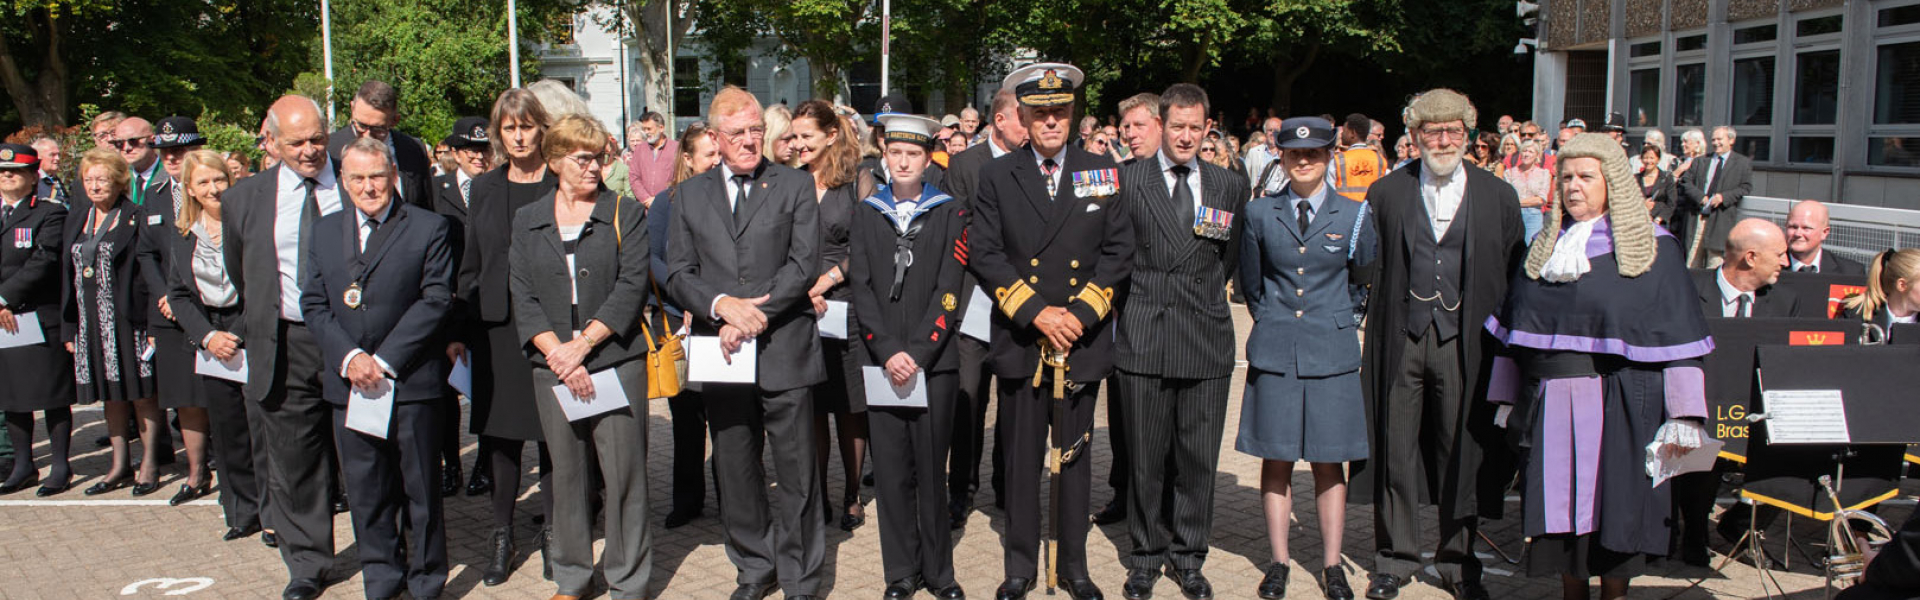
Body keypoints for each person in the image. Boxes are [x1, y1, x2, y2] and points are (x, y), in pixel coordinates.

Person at [1484, 132, 1715, 600]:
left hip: (1628, 400)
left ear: (1612, 182)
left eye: (1586, 176)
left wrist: (1687, 417)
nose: (1573, 186)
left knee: (1621, 508)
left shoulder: (1656, 250)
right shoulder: (1544, 251)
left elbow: (1680, 336)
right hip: (1550, 402)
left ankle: (1616, 594)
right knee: (1559, 514)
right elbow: (1514, 333)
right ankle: (1573, 592)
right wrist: (1505, 401)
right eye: (1566, 176)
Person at [968, 62, 1133, 600]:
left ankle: (1073, 567)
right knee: (1020, 460)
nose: (1051, 122)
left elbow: (1117, 254)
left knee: (1076, 459)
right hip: (1022, 337)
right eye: (1040, 114)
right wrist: (1038, 313)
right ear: (1022, 116)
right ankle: (1020, 566)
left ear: (1073, 115)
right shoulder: (996, 175)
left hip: (1079, 339)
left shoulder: (1102, 171)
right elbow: (987, 255)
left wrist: (1078, 317)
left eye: (1060, 112)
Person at [1351, 89, 1524, 600]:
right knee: (1396, 449)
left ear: (1468, 136)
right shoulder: (1387, 192)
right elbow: (1364, 261)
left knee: (1461, 452)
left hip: (1466, 342)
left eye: (1453, 131)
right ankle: (1396, 557)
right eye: (1433, 131)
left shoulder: (1498, 195)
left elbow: (1514, 272)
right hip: (1401, 338)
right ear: (1416, 136)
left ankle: (1456, 560)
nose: (1443, 140)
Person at [665, 86, 828, 600]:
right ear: (714, 137)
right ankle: (755, 568)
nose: (751, 141)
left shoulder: (795, 185)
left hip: (785, 346)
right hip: (724, 351)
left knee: (797, 469)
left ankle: (800, 576)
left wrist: (751, 312)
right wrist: (719, 306)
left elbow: (804, 264)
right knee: (734, 466)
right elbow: (678, 272)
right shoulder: (689, 195)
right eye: (738, 133)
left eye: (758, 130)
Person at [505, 114, 654, 600]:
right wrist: (558, 354)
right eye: (583, 159)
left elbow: (632, 288)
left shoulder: (623, 212)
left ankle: (627, 579)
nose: (595, 167)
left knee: (624, 472)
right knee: (565, 473)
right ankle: (572, 577)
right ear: (554, 162)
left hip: (614, 357)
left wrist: (583, 346)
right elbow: (522, 296)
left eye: (600, 157)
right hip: (553, 366)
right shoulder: (528, 220)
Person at [1111, 84, 1250, 600]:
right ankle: (1145, 555)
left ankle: (1189, 556)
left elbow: (1227, 259)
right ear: (1161, 125)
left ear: (1207, 129)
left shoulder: (1228, 185)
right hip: (1146, 330)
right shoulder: (1129, 180)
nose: (1187, 136)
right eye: (1177, 127)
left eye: (1197, 128)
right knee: (1145, 459)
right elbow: (1116, 258)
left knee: (1197, 460)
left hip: (1205, 334)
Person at [300, 136, 455, 600]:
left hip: (409, 383)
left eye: (377, 177)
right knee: (367, 493)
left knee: (420, 492)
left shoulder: (429, 227)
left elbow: (436, 299)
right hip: (350, 385)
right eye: (358, 179)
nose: (369, 187)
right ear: (343, 183)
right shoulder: (325, 230)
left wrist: (384, 361)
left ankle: (427, 581)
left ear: (394, 177)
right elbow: (313, 302)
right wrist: (351, 359)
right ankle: (382, 581)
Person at [1235, 116, 1376, 600]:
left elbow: (1361, 278)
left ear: (1329, 156)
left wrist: (1333, 318)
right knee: (1275, 457)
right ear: (1281, 157)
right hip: (1276, 348)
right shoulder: (1258, 213)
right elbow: (1251, 285)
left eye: (1314, 153)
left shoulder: (1354, 213)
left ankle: (1332, 565)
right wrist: (1277, 321)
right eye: (1295, 154)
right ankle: (1278, 562)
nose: (1304, 161)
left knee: (1326, 461)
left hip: (1331, 350)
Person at [224, 95, 356, 600]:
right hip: (284, 340)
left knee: (362, 450)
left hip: (349, 340)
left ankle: (386, 547)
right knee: (294, 459)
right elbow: (244, 273)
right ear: (272, 142)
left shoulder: (355, 180)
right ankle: (307, 562)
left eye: (318, 139)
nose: (310, 151)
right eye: (297, 142)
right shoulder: (245, 199)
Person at [849, 113, 969, 600]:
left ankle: (939, 571)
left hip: (933, 364)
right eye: (895, 153)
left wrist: (917, 352)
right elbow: (861, 288)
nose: (902, 162)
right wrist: (887, 351)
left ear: (927, 159)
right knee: (893, 473)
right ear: (884, 155)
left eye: (913, 154)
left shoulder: (949, 212)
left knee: (929, 471)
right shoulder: (866, 211)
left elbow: (949, 289)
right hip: (883, 363)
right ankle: (900, 571)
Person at [456, 89, 557, 586]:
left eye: (527, 126)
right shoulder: (486, 188)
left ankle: (558, 534)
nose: (518, 136)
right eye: (509, 127)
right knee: (500, 438)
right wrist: (460, 326)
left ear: (542, 128)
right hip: (495, 327)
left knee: (555, 436)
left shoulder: (561, 181)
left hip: (552, 328)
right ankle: (502, 533)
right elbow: (473, 260)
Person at [163, 149, 271, 540]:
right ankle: (242, 510)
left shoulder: (248, 224)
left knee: (259, 425)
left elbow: (263, 284)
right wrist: (208, 337)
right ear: (190, 189)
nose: (213, 188)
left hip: (249, 328)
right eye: (204, 182)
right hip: (210, 335)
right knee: (226, 430)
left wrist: (236, 335)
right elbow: (177, 294)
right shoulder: (181, 234)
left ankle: (271, 511)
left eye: (219, 179)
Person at [940, 88, 1027, 527]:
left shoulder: (1032, 162)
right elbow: (958, 227)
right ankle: (961, 490)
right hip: (975, 298)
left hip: (1022, 301)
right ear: (999, 121)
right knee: (968, 398)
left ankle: (1007, 486)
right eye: (1022, 118)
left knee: (1014, 397)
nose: (1030, 126)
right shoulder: (964, 165)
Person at [787, 99, 871, 532]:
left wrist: (827, 280)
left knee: (849, 406)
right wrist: (802, 290)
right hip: (800, 307)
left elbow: (870, 243)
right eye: (794, 137)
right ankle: (816, 495)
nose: (798, 144)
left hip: (847, 304)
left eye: (806, 137)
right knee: (813, 406)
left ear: (832, 135)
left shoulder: (858, 179)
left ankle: (852, 496)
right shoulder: (788, 182)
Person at [64, 146, 163, 498]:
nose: (94, 186)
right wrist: (70, 326)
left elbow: (150, 274)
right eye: (88, 179)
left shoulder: (135, 216)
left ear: (119, 181)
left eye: (102, 179)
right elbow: (68, 275)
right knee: (110, 396)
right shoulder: (77, 217)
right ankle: (119, 463)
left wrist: (153, 326)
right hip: (90, 321)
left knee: (141, 394)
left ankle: (149, 463)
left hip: (128, 320)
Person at [645, 122, 720, 529]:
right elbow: (652, 259)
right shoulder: (665, 202)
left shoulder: (732, 200)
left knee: (727, 416)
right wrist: (686, 295)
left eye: (719, 154)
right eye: (708, 155)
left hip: (720, 323)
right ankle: (687, 499)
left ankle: (732, 496)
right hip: (678, 324)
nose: (716, 161)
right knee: (686, 418)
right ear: (687, 160)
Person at [144, 115, 213, 505]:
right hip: (169, 310)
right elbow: (145, 252)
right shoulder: (153, 193)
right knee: (185, 396)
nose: (171, 157)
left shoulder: (213, 186)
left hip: (208, 306)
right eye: (165, 151)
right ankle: (196, 473)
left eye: (180, 149)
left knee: (217, 393)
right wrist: (166, 295)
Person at [0, 143, 75, 497]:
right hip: (3, 321)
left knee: (51, 393)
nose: (7, 176)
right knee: (11, 394)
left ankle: (60, 464)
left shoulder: (49, 212)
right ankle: (23, 464)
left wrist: (4, 297)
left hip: (37, 316)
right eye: (2, 172)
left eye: (15, 171)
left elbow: (43, 260)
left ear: (33, 177)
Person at [426, 116, 491, 497]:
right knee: (445, 392)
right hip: (446, 303)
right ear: (455, 152)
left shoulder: (497, 188)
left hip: (482, 302)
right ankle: (451, 463)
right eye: (470, 150)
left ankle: (484, 462)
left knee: (484, 386)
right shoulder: (438, 189)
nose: (478, 157)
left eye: (484, 150)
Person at [327, 80, 434, 209]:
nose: (367, 135)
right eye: (361, 125)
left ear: (395, 120)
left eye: (378, 129)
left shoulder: (413, 149)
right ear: (352, 108)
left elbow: (425, 207)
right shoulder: (330, 150)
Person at [1692, 218, 1799, 318]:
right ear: (1751, 258)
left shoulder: (1784, 303)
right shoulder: (1687, 294)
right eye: (1779, 255)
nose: (1786, 263)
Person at [1677, 126, 1752, 269]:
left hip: (1720, 219)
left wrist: (1724, 197)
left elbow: (1745, 187)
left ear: (1731, 140)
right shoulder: (1701, 161)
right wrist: (1700, 197)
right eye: (1713, 139)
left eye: (1719, 139)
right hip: (1697, 217)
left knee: (1715, 263)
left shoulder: (1742, 163)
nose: (1716, 143)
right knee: (1692, 263)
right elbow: (1686, 181)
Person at [1785, 200, 1866, 275]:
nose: (1797, 233)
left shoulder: (1850, 272)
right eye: (1793, 227)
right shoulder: (1773, 268)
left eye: (1806, 228)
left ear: (1824, 233)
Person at [1331, 114, 1390, 201]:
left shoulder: (1337, 160)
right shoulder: (1380, 160)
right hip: (1371, 211)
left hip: (1345, 211)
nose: (1342, 133)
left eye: (1344, 130)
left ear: (1352, 133)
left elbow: (1329, 192)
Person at [1504, 140, 1552, 241]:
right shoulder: (1509, 173)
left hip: (1534, 217)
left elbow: (1541, 200)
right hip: (1514, 215)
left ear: (1537, 155)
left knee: (1530, 247)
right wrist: (1528, 201)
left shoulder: (1544, 174)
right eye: (1524, 151)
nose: (1526, 154)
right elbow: (1506, 198)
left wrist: (1516, 202)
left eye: (1530, 152)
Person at [626, 112, 677, 201]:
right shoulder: (640, 149)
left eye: (649, 129)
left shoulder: (676, 148)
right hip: (645, 207)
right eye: (644, 129)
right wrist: (646, 199)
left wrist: (661, 200)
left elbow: (681, 177)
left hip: (669, 205)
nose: (646, 132)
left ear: (661, 128)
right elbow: (634, 177)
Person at [1638, 143, 1676, 227]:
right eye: (1645, 158)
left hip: (1659, 222)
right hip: (1639, 222)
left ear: (1658, 159)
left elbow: (1671, 203)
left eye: (1652, 158)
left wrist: (1659, 218)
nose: (1648, 161)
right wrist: (1642, 205)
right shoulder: (1635, 178)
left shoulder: (1666, 178)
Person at [30, 136, 65, 204]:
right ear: (38, 157)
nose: (57, 158)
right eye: (52, 155)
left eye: (58, 154)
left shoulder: (55, 180)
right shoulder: (33, 183)